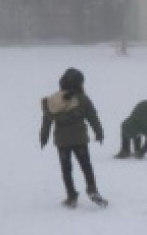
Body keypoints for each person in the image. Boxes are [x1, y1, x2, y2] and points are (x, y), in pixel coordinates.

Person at [40, 68, 107, 208]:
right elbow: (92, 116)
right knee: (86, 166)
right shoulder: (82, 99)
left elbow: (46, 120)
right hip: (79, 139)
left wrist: (44, 135)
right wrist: (99, 132)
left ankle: (71, 195)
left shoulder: (53, 100)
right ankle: (92, 189)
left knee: (66, 168)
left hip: (62, 141)